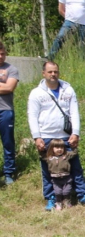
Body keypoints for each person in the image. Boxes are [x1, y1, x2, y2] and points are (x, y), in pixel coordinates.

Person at [28, 61, 85, 211]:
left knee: (75, 169)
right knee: (48, 170)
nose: (53, 74)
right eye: (50, 72)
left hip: (66, 137)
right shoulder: (36, 93)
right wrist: (37, 137)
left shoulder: (68, 90)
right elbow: (32, 116)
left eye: (56, 72)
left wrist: (76, 133)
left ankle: (83, 195)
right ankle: (51, 198)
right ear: (43, 73)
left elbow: (74, 112)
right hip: (47, 137)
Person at [0, 41, 19, 185]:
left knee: (8, 142)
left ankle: (9, 172)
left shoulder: (12, 69)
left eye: (3, 53)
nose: (1, 56)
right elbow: (4, 86)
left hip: (5, 110)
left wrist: (5, 86)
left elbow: (9, 88)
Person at [41, 139, 79, 210]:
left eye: (61, 147)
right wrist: (42, 149)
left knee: (66, 191)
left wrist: (74, 146)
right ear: (52, 148)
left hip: (67, 178)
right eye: (57, 148)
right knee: (58, 192)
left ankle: (67, 201)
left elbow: (74, 153)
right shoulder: (49, 158)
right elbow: (41, 156)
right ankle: (58, 203)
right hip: (56, 180)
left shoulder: (66, 155)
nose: (59, 149)